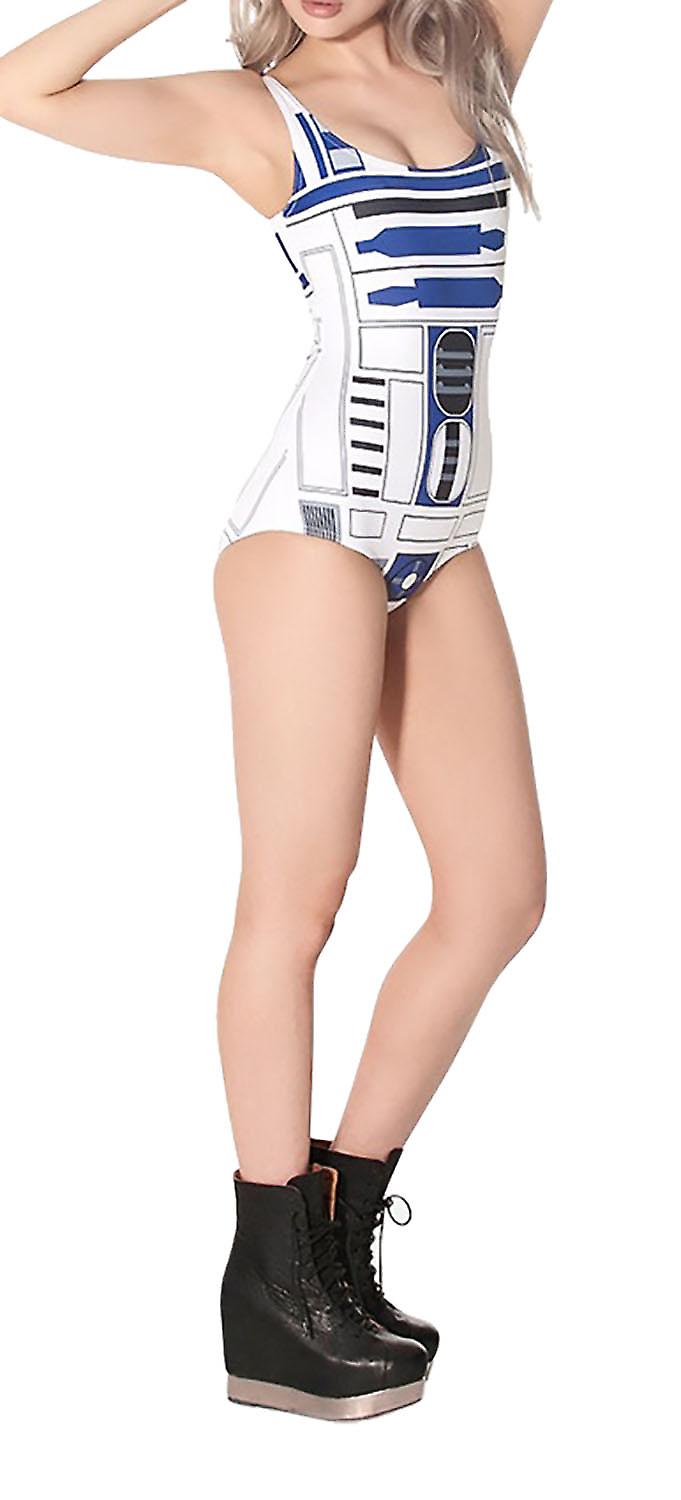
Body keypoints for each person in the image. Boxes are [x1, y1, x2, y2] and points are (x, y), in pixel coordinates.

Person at [0, 0, 554, 1420]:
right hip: (312, 532)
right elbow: (22, 88)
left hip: (444, 535)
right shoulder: (258, 110)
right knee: (298, 900)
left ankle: (336, 1239)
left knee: (497, 895)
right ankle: (266, 1285)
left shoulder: (470, 61)